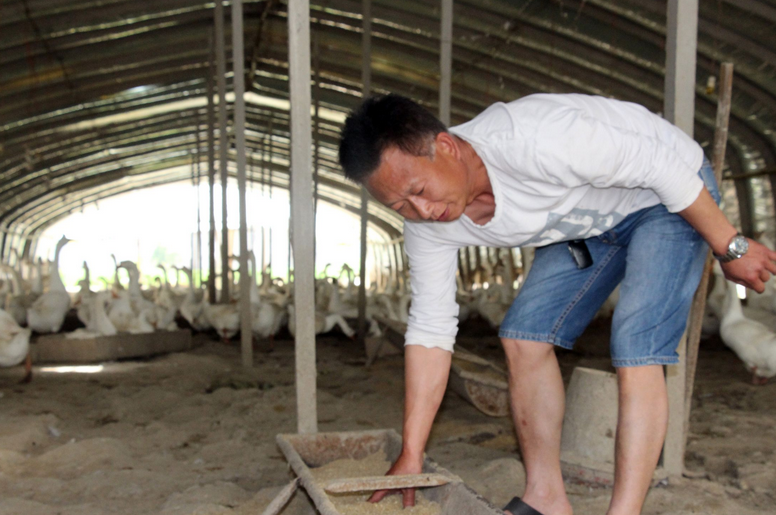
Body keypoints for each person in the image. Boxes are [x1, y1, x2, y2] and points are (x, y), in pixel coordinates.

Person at [337, 93, 776, 515]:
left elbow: (662, 167)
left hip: (666, 194)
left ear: (446, 147)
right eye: (401, 205)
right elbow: (431, 330)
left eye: (419, 189)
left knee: (636, 345)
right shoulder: (428, 226)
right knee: (524, 337)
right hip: (589, 223)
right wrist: (412, 453)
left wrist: (731, 246)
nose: (422, 210)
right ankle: (545, 497)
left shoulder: (533, 137)